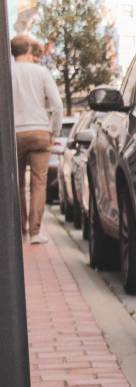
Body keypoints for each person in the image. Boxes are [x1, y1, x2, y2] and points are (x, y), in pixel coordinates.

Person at [11, 36, 62, 244]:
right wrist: (54, 132)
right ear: (29, 50)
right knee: (39, 183)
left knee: (18, 183)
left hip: (15, 133)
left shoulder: (6, 73)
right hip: (40, 131)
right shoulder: (41, 73)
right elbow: (57, 105)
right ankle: (34, 232)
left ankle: (21, 228)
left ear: (12, 52)